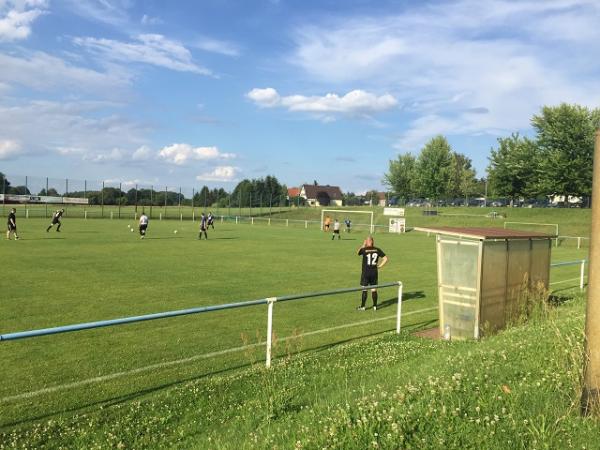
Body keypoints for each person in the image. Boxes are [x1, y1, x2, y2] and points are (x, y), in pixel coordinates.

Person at [357, 236, 388, 311]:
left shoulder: (364, 249)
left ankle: (363, 307)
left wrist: (363, 244)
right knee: (374, 289)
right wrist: (380, 266)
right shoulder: (377, 249)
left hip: (365, 272)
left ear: (367, 242)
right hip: (374, 272)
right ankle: (375, 306)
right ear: (373, 241)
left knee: (364, 289)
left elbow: (358, 252)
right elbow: (386, 259)